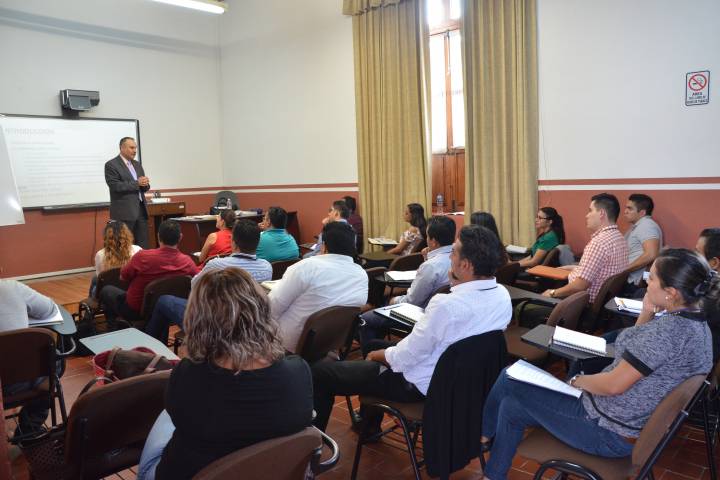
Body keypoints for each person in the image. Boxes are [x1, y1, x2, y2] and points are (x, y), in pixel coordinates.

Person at [480, 248, 717, 480]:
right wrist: (646, 312)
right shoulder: (698, 328)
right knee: (511, 406)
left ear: (671, 293)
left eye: (652, 278)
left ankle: (481, 439)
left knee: (509, 376)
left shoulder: (666, 333)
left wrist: (576, 381)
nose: (647, 282)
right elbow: (638, 349)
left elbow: (613, 385)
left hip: (605, 429)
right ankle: (493, 474)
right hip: (627, 426)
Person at [312, 225, 512, 432]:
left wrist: (379, 356)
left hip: (420, 384)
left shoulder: (446, 305)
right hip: (462, 382)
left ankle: (317, 444)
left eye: (453, 252)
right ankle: (368, 424)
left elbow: (407, 356)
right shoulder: (501, 295)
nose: (449, 257)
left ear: (466, 265)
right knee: (373, 344)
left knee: (320, 374)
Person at [137, 268, 313, 480]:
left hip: (189, 473)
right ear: (261, 311)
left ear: (197, 320)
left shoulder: (187, 375)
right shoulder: (299, 372)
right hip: (268, 472)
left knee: (165, 415)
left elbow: (179, 415)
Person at [145, 220, 272, 343]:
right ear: (258, 243)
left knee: (164, 301)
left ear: (233, 242)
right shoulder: (267, 267)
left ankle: (149, 348)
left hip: (212, 325)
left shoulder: (216, 265)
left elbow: (194, 286)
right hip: (246, 326)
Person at [359, 216, 456, 351]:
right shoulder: (457, 257)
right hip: (441, 314)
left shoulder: (431, 266)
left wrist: (394, 300)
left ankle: (374, 356)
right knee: (379, 312)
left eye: (428, 237)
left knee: (364, 319)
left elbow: (411, 302)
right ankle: (384, 347)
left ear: (433, 241)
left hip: (418, 313)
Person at [269, 221, 367, 353]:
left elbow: (271, 308)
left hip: (288, 346)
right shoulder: (361, 274)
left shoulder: (305, 267)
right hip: (331, 343)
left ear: (324, 246)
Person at [99, 220, 199, 328]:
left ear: (158, 236)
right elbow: (198, 279)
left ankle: (114, 328)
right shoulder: (188, 262)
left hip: (136, 310)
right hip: (168, 310)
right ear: (180, 237)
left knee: (106, 290)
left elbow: (123, 277)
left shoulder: (143, 257)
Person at [542, 193, 628, 302]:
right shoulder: (619, 238)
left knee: (541, 294)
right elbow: (601, 270)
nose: (586, 215)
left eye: (590, 210)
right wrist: (574, 268)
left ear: (601, 213)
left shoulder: (598, 243)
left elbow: (579, 286)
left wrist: (552, 293)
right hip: (606, 303)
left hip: (582, 303)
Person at [0, 280, 58, 436]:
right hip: (21, 381)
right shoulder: (12, 287)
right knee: (54, 362)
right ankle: (30, 428)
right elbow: (50, 308)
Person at [105, 137, 151, 248]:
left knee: (142, 245)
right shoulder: (111, 165)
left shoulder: (137, 164)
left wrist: (145, 184)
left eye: (135, 148)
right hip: (124, 213)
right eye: (131, 148)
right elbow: (115, 186)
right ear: (122, 148)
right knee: (124, 246)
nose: (135, 151)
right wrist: (137, 183)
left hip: (141, 210)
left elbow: (142, 186)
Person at [91, 220, 142, 296]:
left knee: (95, 279)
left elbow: (100, 277)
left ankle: (92, 302)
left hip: (109, 293)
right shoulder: (138, 250)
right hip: (132, 290)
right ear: (127, 234)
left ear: (106, 237)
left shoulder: (100, 254)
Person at [624, 193, 662, 290]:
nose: (625, 211)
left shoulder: (647, 225)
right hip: (629, 280)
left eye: (630, 208)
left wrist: (624, 270)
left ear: (642, 213)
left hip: (634, 284)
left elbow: (651, 254)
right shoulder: (639, 225)